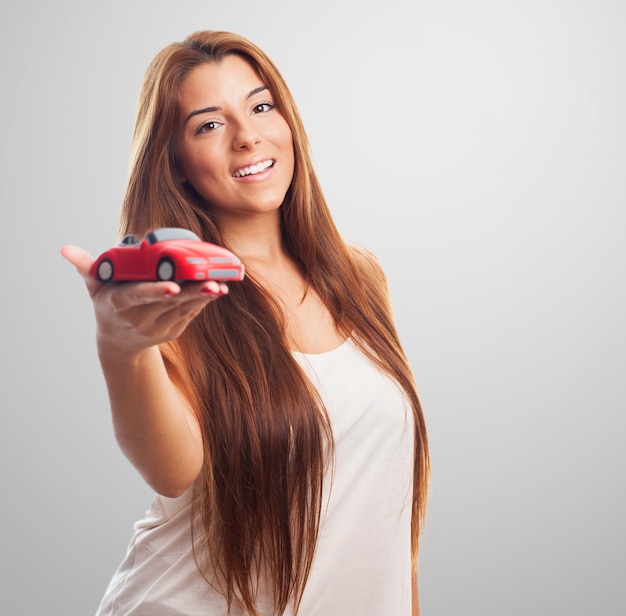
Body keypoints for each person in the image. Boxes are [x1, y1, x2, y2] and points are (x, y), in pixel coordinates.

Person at [62, 30, 430, 616]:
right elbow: (173, 469)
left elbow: (388, 516)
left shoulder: (360, 278)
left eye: (260, 106)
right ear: (176, 163)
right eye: (209, 125)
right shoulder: (180, 296)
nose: (248, 136)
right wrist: (123, 348)